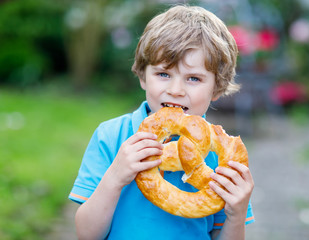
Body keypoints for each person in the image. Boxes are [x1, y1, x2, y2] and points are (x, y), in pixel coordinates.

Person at [69, 5, 254, 240]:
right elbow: (87, 235)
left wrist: (237, 216)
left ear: (216, 88)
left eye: (194, 78)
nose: (176, 90)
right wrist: (115, 178)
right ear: (142, 76)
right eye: (164, 74)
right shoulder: (111, 136)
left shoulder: (221, 156)